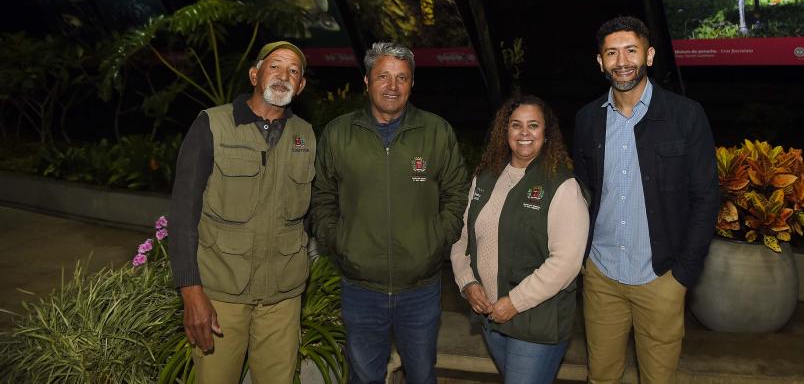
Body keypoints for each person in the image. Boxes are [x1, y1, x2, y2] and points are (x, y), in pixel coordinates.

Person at [310, 42, 469, 384]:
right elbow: (321, 196)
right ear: (367, 81)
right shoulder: (339, 133)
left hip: (421, 288)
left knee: (422, 375)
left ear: (412, 83)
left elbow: (456, 193)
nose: (392, 86)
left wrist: (434, 242)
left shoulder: (436, 131)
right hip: (360, 287)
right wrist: (340, 241)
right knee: (364, 377)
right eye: (383, 76)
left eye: (402, 77)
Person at [573, 16, 719, 383]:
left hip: (660, 276)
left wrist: (683, 274)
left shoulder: (686, 115)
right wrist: (582, 260)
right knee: (601, 376)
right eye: (612, 53)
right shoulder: (588, 119)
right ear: (600, 62)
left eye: (631, 50)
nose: (622, 61)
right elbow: (581, 192)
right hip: (601, 275)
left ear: (649, 56)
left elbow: (705, 198)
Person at [169, 41, 314, 383]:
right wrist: (191, 292)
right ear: (255, 74)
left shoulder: (305, 135)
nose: (284, 76)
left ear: (301, 85)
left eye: (294, 71)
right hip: (220, 296)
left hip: (283, 296)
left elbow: (307, 214)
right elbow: (182, 214)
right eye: (275, 66)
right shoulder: (212, 125)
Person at [451, 95, 589, 384]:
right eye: (516, 125)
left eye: (533, 125)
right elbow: (463, 239)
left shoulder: (562, 185)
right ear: (505, 131)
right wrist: (467, 282)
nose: (524, 133)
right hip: (490, 316)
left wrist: (514, 302)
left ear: (546, 133)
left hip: (535, 321)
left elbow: (566, 263)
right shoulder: (485, 176)